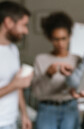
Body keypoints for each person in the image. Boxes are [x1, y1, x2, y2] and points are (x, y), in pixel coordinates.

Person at [31, 12, 80, 129]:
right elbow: (36, 92)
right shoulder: (40, 59)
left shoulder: (77, 59)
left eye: (64, 38)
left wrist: (72, 76)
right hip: (46, 109)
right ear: (49, 38)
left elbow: (81, 88)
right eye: (56, 39)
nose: (60, 43)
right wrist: (47, 75)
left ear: (70, 36)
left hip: (70, 108)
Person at [0, 1, 32, 129]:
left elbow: (18, 87)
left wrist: (24, 114)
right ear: (8, 22)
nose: (26, 31)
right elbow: (16, 84)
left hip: (11, 122)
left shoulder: (13, 49)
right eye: (23, 25)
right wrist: (15, 84)